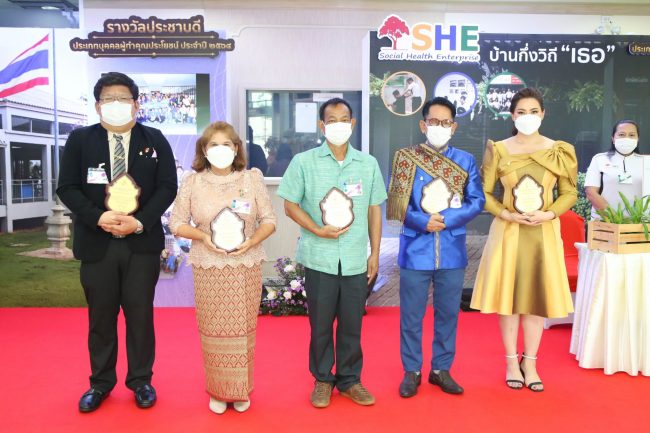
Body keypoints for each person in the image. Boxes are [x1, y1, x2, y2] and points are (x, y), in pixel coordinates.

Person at [57, 72, 178, 412]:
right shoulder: (80, 140)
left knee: (140, 316)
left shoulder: (154, 139)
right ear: (98, 106)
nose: (116, 104)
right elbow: (67, 187)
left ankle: (141, 381)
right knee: (101, 318)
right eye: (108, 99)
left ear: (136, 105)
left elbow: (168, 186)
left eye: (123, 98)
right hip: (97, 243)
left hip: (140, 243)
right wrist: (98, 216)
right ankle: (100, 383)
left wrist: (139, 221)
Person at [277, 97, 387, 408]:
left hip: (354, 259)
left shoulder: (367, 164)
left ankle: (350, 380)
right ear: (322, 126)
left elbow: (374, 210)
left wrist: (375, 253)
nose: (338, 125)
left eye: (344, 119)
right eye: (331, 120)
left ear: (352, 124)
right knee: (321, 325)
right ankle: (323, 379)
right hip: (319, 257)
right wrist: (316, 229)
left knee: (353, 324)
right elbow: (289, 205)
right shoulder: (304, 162)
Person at [470, 88, 577, 392]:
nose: (527, 117)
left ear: (543, 114)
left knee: (536, 301)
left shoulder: (559, 150)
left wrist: (549, 214)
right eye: (521, 112)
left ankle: (530, 362)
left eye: (533, 112)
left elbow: (569, 192)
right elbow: (484, 194)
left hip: (543, 234)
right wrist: (506, 214)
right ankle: (509, 362)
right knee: (509, 300)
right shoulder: (498, 150)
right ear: (512, 115)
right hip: (508, 233)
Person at [169, 122, 276, 414]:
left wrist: (253, 240)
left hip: (245, 267)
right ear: (204, 150)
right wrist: (202, 236)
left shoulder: (252, 179)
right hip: (209, 268)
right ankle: (218, 390)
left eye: (226, 144)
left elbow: (269, 220)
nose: (220, 150)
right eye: (213, 145)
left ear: (236, 148)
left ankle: (241, 390)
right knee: (213, 330)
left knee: (244, 330)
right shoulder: (193, 182)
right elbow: (176, 222)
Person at [386, 97, 485, 398]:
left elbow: (477, 201)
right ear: (423, 124)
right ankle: (411, 370)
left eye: (445, 122)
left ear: (453, 127)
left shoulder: (465, 161)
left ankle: (441, 369)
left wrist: (447, 219)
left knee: (448, 315)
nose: (439, 127)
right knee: (411, 316)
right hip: (415, 249)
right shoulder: (406, 158)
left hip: (452, 250)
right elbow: (396, 204)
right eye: (433, 121)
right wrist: (422, 221)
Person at [585, 120, 643, 219]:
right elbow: (591, 192)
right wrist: (616, 220)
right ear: (613, 138)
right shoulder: (599, 159)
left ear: (638, 139)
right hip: (604, 221)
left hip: (639, 224)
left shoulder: (646, 162)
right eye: (621, 134)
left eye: (632, 135)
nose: (626, 138)